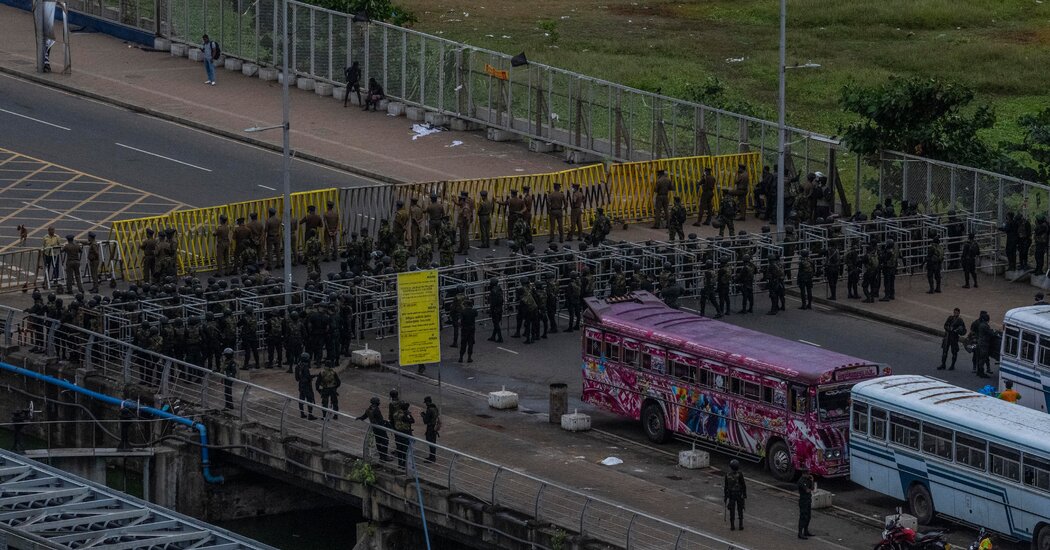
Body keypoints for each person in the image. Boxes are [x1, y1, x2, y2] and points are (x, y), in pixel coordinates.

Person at [357, 397, 390, 461]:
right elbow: (380, 420)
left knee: (378, 442)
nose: (379, 403)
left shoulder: (368, 409)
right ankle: (384, 457)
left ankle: (381, 456)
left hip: (375, 428)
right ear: (376, 403)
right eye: (378, 402)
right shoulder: (376, 410)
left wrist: (359, 418)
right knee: (385, 441)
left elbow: (363, 417)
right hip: (380, 428)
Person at [724, 459, 747, 531]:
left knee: (732, 510)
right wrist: (744, 494)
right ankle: (741, 525)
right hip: (739, 494)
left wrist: (725, 497)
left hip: (731, 495)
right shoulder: (740, 474)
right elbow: (743, 485)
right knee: (740, 509)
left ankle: (732, 526)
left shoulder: (727, 475)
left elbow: (726, 486)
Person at [392, 400, 414, 469]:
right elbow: (412, 421)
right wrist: (409, 415)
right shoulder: (404, 415)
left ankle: (400, 463)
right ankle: (404, 464)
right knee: (405, 449)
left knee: (399, 449)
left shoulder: (396, 413)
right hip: (405, 433)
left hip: (398, 433)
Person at [294, 352, 317, 419]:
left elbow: (297, 378)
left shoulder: (297, 366)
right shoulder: (305, 367)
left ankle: (302, 413)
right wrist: (313, 376)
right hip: (307, 385)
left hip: (301, 385)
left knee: (301, 399)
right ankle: (310, 415)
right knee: (309, 400)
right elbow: (307, 377)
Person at [421, 396, 440, 462]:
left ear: (427, 402)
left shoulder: (429, 409)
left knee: (430, 442)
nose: (426, 404)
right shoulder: (435, 408)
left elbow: (426, 421)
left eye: (426, 402)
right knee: (433, 442)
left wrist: (423, 415)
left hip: (430, 427)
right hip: (434, 428)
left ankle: (432, 458)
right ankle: (432, 456)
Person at [797, 467, 815, 539]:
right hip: (803, 501)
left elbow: (812, 488)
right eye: (808, 473)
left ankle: (806, 531)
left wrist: (812, 481)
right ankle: (800, 533)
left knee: (808, 516)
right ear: (804, 474)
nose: (809, 475)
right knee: (803, 517)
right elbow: (807, 490)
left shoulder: (808, 479)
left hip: (808, 500)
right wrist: (810, 489)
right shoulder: (801, 481)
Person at [486, 277, 504, 343]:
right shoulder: (499, 289)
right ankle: (493, 336)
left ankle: (500, 337)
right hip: (499, 308)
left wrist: (491, 310)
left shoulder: (493, 291)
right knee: (496, 323)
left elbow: (493, 302)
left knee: (496, 324)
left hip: (495, 309)